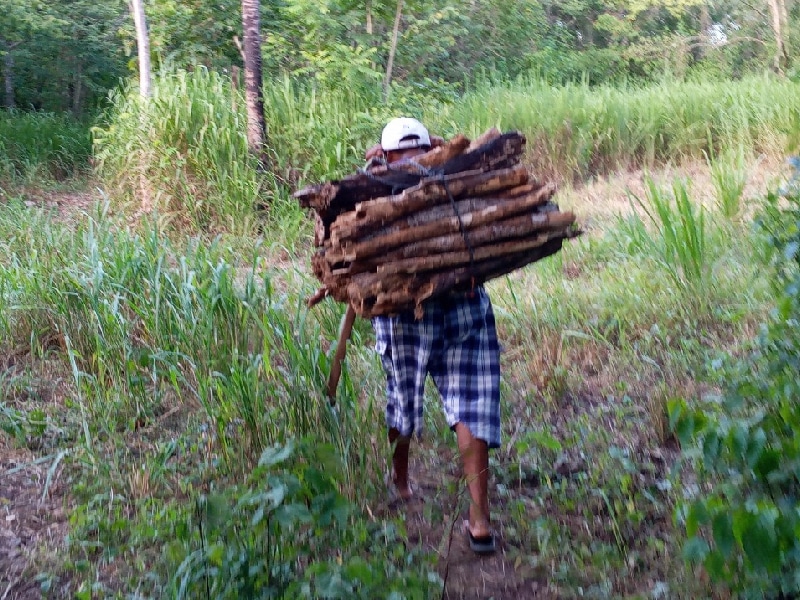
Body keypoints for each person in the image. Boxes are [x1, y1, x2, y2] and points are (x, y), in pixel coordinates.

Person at [367, 117, 502, 555]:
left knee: (403, 397)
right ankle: (480, 521)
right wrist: (442, 149)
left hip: (405, 311)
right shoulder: (458, 176)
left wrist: (377, 164)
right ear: (432, 147)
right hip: (464, 303)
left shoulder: (374, 187)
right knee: (472, 405)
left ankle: (401, 484)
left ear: (385, 155)